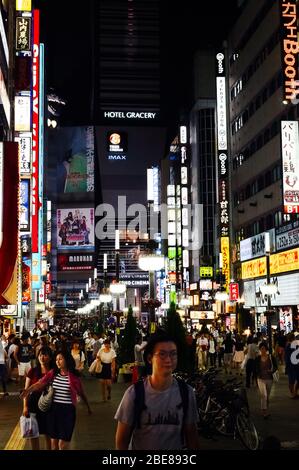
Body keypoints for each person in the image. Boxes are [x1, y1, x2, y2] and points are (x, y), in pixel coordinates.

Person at [114, 332, 200, 450]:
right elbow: (122, 440)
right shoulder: (134, 394)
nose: (168, 359)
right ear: (150, 358)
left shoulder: (186, 393)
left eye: (173, 354)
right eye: (162, 354)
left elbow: (192, 437)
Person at [21, 350, 91, 450]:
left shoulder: (74, 378)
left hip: (67, 412)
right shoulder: (53, 373)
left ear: (66, 360)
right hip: (53, 411)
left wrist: (88, 407)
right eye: (56, 359)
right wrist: (28, 390)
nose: (58, 361)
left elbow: (82, 393)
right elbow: (40, 383)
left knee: (62, 445)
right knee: (54, 444)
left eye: (60, 359)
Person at [22, 346, 54, 450]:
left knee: (48, 432)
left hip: (48, 405)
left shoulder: (54, 372)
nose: (42, 357)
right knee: (33, 432)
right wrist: (25, 407)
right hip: (33, 404)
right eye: (40, 355)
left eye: (45, 355)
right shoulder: (33, 371)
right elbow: (26, 390)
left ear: (50, 357)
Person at [255, 342, 278, 418]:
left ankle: (266, 409)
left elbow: (275, 367)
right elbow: (255, 369)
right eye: (261, 349)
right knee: (264, 395)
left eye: (264, 348)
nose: (262, 350)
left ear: (266, 349)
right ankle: (264, 411)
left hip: (269, 379)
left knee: (267, 396)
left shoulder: (271, 357)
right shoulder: (258, 358)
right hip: (260, 378)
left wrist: (271, 371)